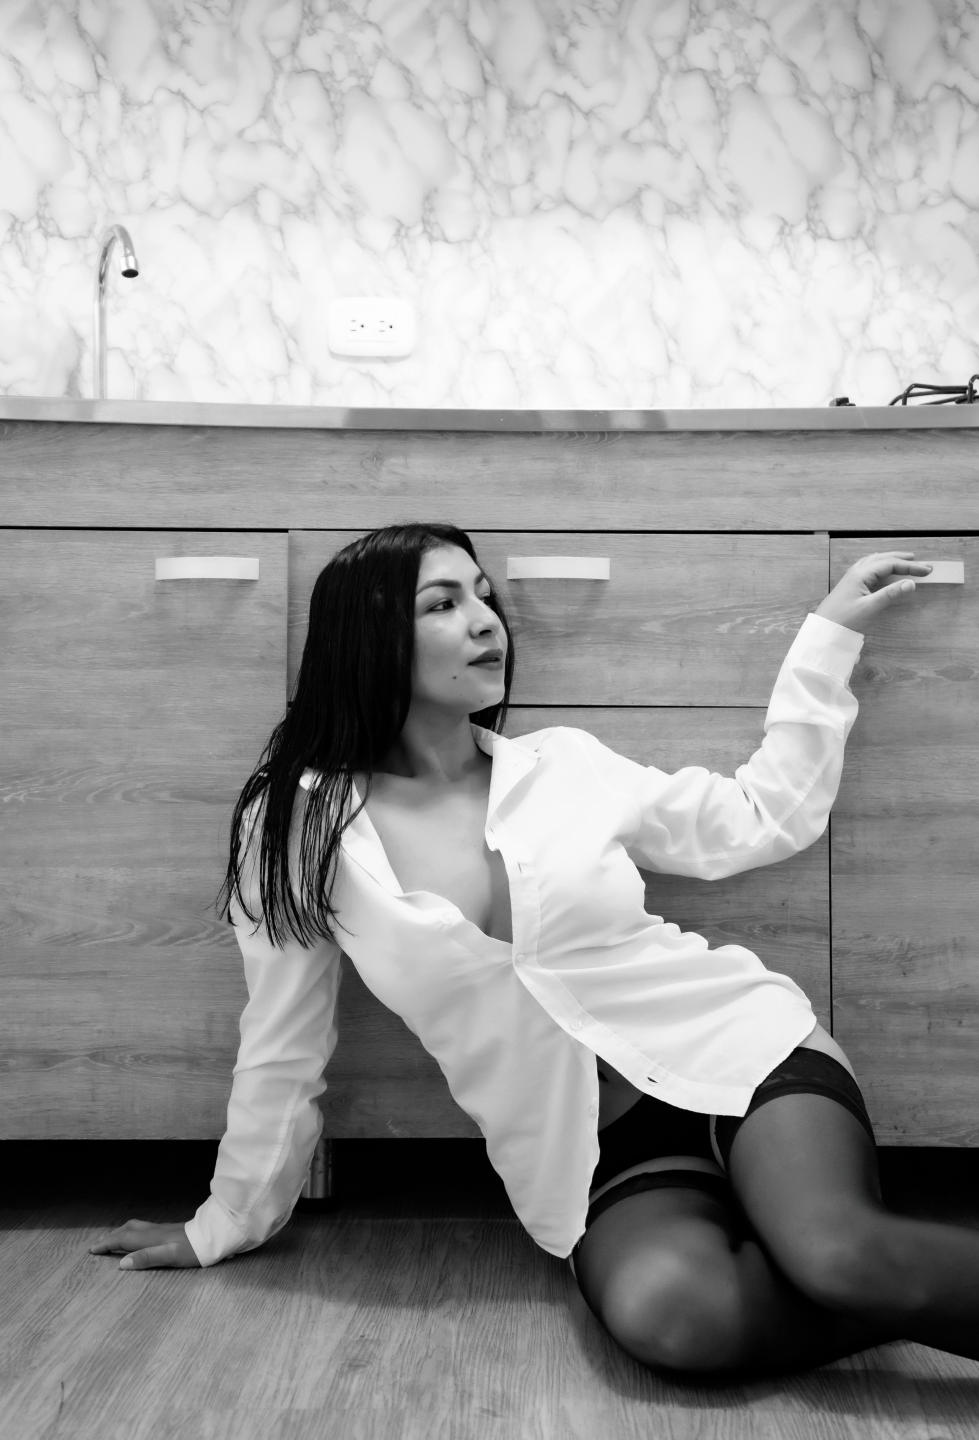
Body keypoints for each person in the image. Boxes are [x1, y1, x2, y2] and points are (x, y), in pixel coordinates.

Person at [89, 523, 979, 1380]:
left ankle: (857, 1268)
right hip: (598, 1152)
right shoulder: (298, 824)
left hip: (739, 1055)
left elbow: (761, 817)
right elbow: (282, 1039)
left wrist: (827, 637)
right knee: (674, 1318)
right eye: (442, 603)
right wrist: (226, 1219)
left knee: (837, 1254)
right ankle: (897, 1283)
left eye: (484, 597)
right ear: (366, 637)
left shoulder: (563, 766)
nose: (485, 622)